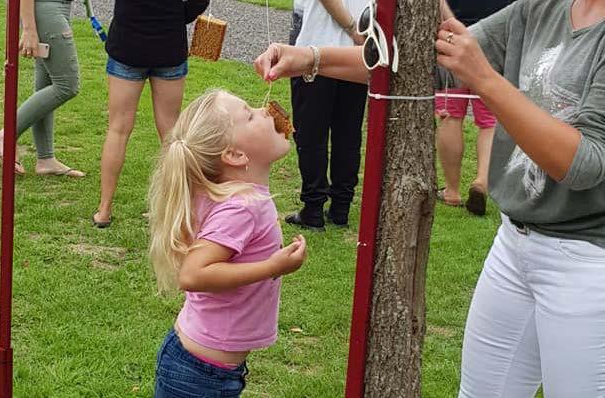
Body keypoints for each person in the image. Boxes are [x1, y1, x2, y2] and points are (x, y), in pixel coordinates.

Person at [254, 0, 605, 394]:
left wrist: (484, 77)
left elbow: (584, 164)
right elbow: (423, 67)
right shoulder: (541, 9)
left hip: (588, 260)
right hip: (514, 243)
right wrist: (310, 57)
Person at [147, 90, 307, 397]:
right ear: (234, 155)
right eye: (249, 114)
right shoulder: (243, 206)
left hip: (202, 368)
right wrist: (272, 267)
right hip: (200, 377)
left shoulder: (233, 194)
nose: (266, 111)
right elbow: (193, 275)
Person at [91, 0, 209, 228]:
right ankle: (175, 208)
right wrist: (179, 14)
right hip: (168, 42)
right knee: (171, 132)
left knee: (118, 129)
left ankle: (104, 209)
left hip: (128, 40)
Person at [285, 0, 368, 231]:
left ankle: (314, 208)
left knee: (311, 133)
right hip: (356, 49)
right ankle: (340, 206)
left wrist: (352, 28)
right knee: (348, 132)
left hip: (320, 41)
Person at [0, 0, 85, 178]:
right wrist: (29, 30)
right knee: (67, 86)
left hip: (54, 9)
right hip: (47, 10)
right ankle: (5, 136)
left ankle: (46, 159)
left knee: (46, 85)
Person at [435, 0, 515, 216]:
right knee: (489, 122)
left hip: (453, 40)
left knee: (450, 117)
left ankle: (452, 190)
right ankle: (481, 181)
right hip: (494, 43)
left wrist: (453, 25)